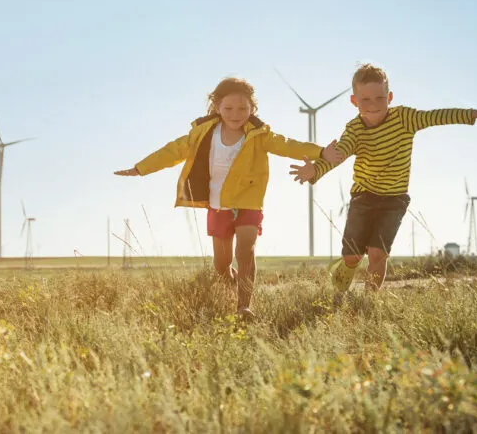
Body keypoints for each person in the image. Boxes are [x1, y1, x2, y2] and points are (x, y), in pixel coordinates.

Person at [115, 77, 324, 320]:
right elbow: (171, 151)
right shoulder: (202, 133)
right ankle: (232, 283)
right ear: (217, 107)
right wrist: (141, 168)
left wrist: (320, 152)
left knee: (246, 251)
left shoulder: (259, 135)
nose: (236, 114)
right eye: (229, 109)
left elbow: (289, 145)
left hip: (248, 203)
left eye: (243, 109)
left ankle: (244, 306)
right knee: (221, 265)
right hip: (218, 206)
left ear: (252, 109)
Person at [290, 63, 477, 297]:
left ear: (390, 97)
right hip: (363, 197)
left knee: (377, 253)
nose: (373, 105)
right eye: (365, 100)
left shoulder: (405, 118)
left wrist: (472, 114)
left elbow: (435, 117)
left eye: (379, 98)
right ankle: (347, 267)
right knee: (352, 255)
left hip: (394, 200)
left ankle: (369, 299)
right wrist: (316, 170)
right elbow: (339, 153)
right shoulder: (354, 129)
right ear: (354, 101)